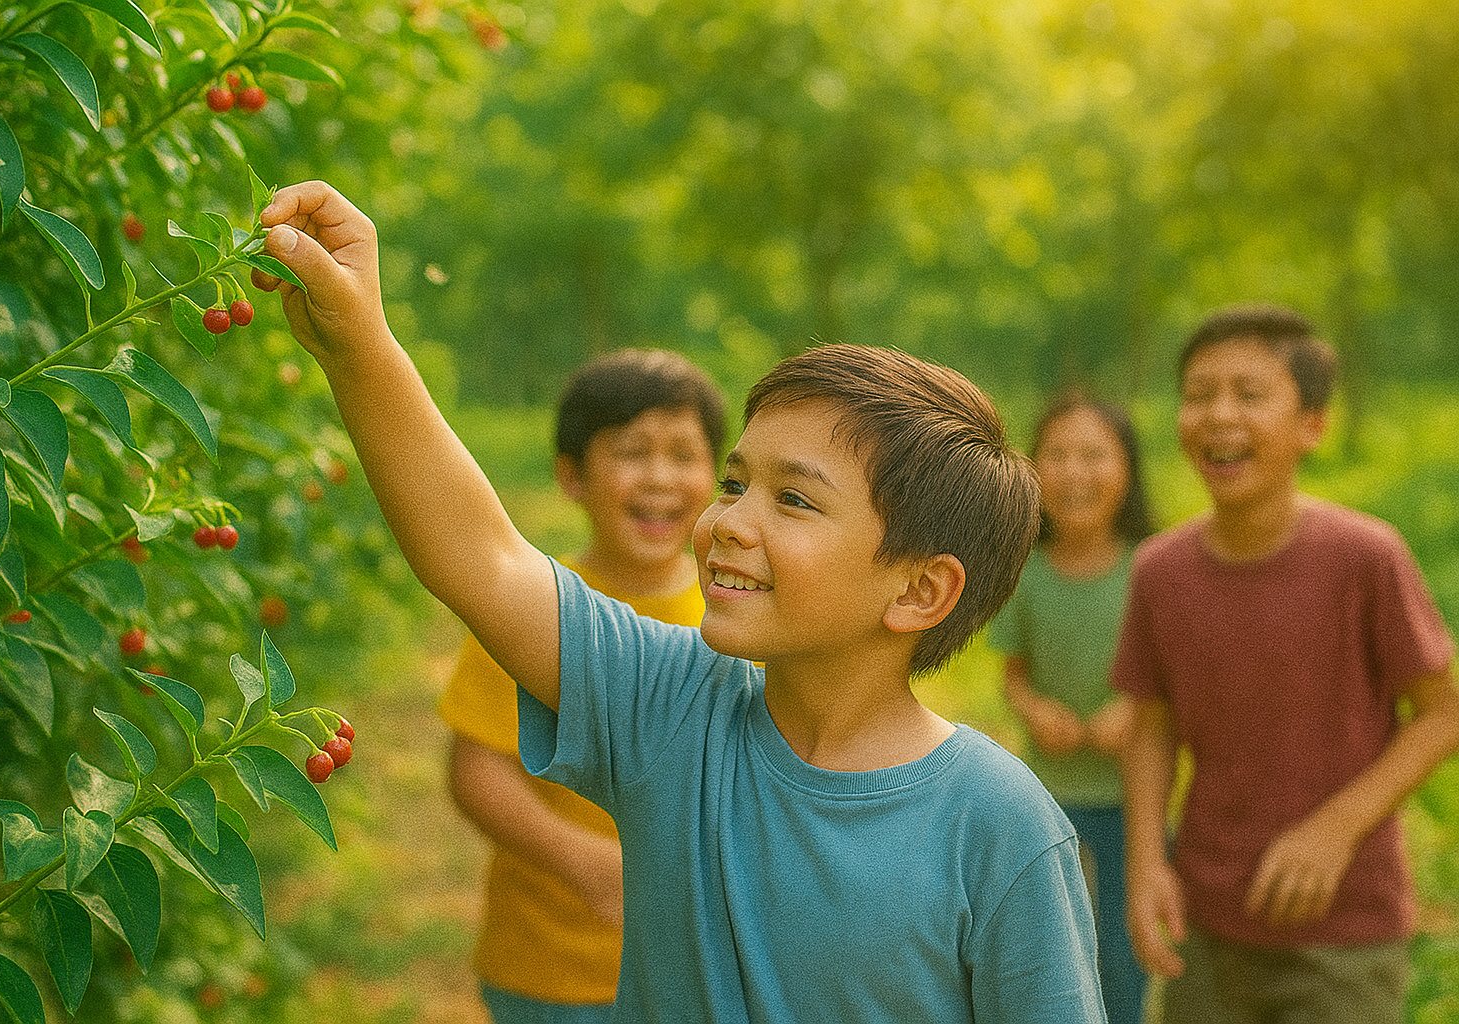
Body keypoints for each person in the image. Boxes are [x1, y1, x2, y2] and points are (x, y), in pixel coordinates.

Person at [250, 180, 1106, 1022]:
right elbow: (482, 559)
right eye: (736, 483)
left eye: (794, 500)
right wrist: (359, 339)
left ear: (920, 590)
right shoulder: (671, 707)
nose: (727, 521)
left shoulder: (1001, 830)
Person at [1114, 304, 1459, 1024]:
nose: (1218, 415)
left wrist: (1335, 828)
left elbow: (1442, 711)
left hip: (1345, 934)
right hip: (1206, 927)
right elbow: (1152, 724)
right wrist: (1146, 863)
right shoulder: (1160, 570)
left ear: (1312, 424)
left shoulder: (1367, 557)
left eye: (1248, 393)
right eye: (1199, 393)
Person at [438, 348, 725, 1023]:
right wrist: (583, 862)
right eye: (631, 451)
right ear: (572, 476)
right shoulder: (531, 610)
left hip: (701, 967)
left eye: (684, 453)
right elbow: (477, 770)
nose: (660, 478)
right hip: (553, 970)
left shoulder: (740, 616)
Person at [989, 391, 1153, 1024]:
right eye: (1055, 455)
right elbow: (1013, 678)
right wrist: (1035, 712)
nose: (1074, 472)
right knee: (1058, 938)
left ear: (1128, 469)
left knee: (1123, 944)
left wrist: (1133, 708)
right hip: (1048, 793)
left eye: (1094, 455)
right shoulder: (1024, 573)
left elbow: (1167, 683)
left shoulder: (1149, 568)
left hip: (1134, 799)